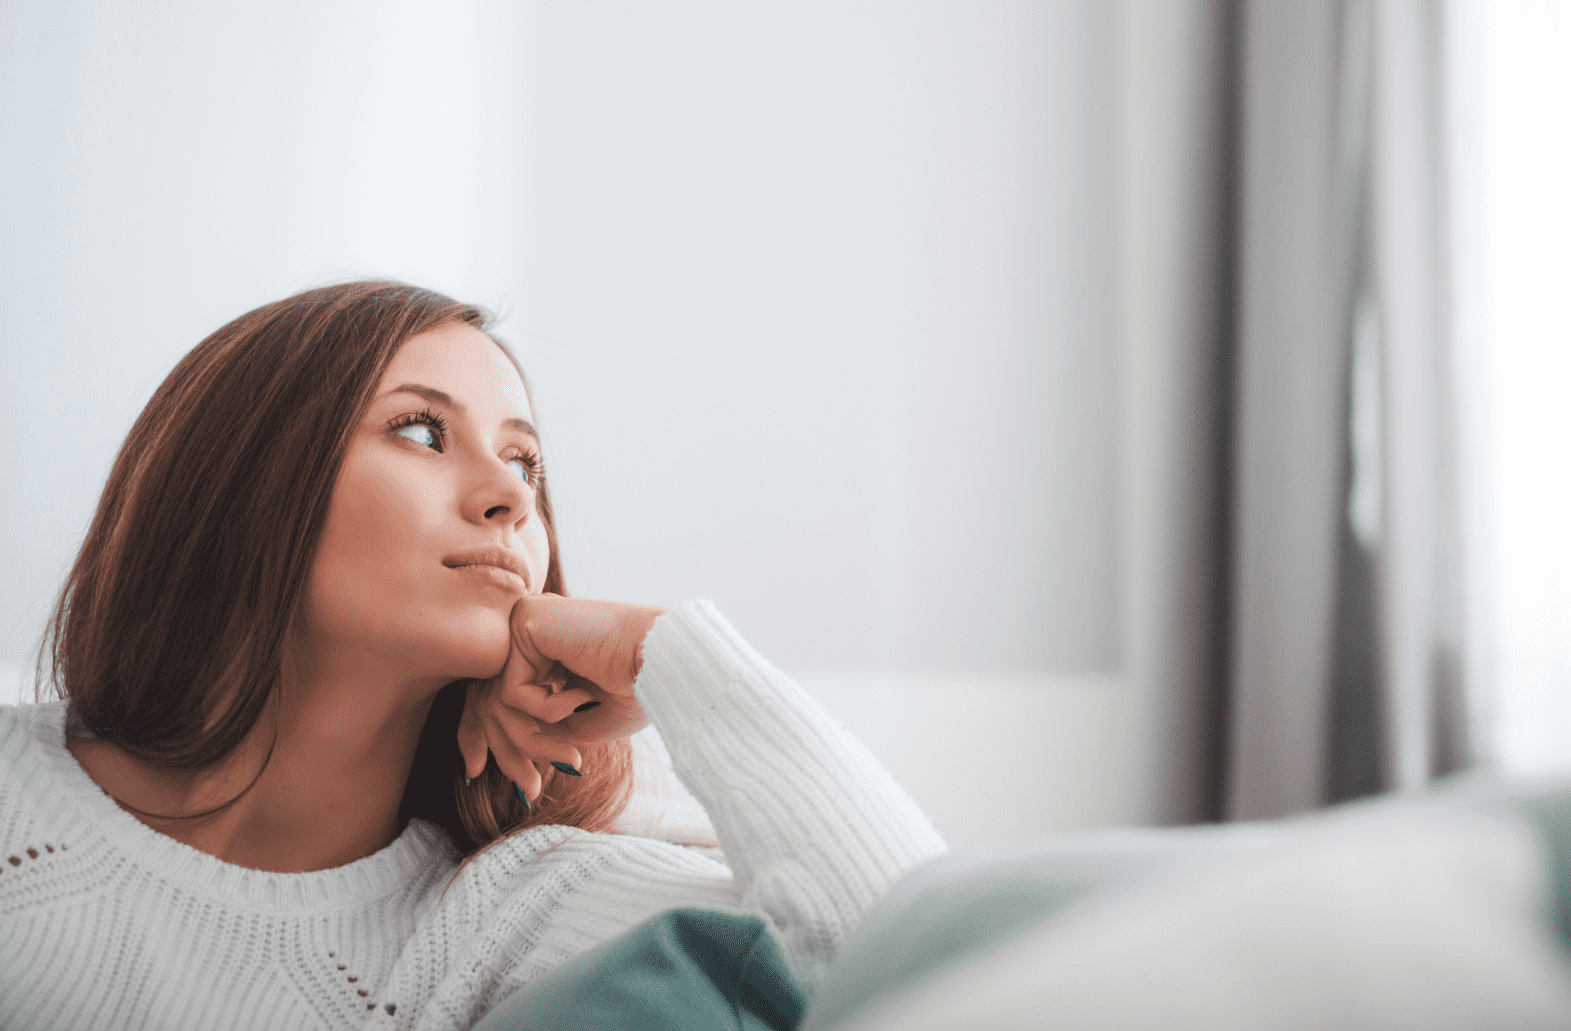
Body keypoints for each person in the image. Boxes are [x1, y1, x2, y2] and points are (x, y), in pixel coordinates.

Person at [0, 281, 946, 1030]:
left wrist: (660, 657)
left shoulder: (503, 917)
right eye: (421, 431)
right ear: (243, 479)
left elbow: (932, 972)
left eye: (526, 461)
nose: (509, 496)